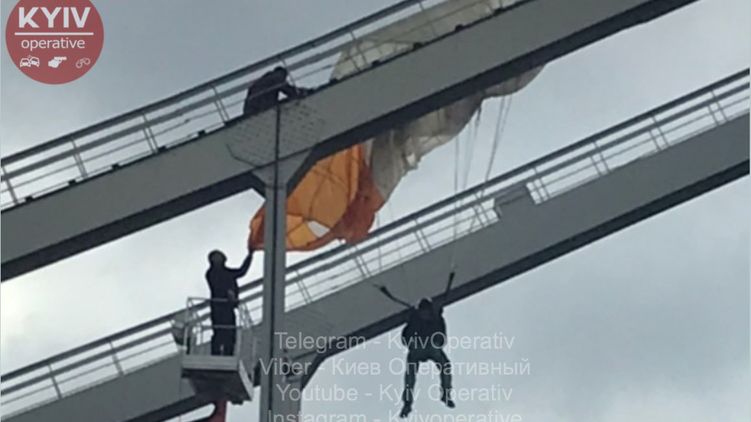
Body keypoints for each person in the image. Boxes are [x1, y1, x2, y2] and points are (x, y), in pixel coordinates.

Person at [398, 298, 455, 418]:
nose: (425, 314)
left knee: (444, 366)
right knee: (410, 375)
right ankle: (408, 403)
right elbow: (405, 336)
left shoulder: (434, 318)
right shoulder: (417, 318)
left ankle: (445, 394)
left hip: (428, 347)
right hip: (420, 347)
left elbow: (442, 336)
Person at [205, 248, 253, 356]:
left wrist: (249, 256)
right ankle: (217, 354)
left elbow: (241, 271)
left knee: (229, 334)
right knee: (220, 333)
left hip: (227, 308)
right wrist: (228, 292)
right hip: (219, 308)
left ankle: (227, 354)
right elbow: (217, 285)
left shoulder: (225, 272)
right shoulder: (211, 273)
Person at [243, 66, 311, 116]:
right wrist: (303, 92)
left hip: (250, 109)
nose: (285, 79)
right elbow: (288, 90)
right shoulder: (277, 76)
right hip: (261, 107)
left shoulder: (263, 80)